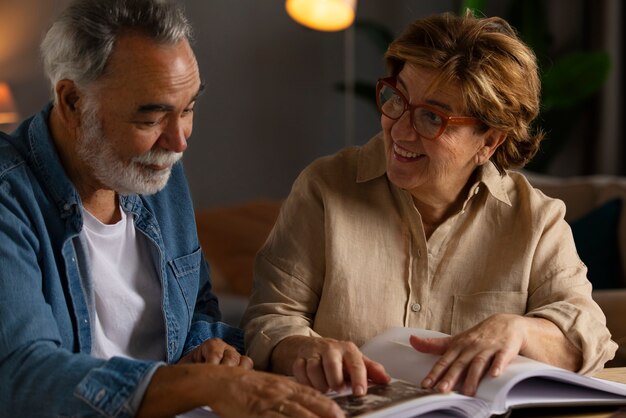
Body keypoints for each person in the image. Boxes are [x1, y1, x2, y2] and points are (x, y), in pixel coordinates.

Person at [242, 10, 618, 398]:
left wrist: (520, 329)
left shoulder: (536, 221)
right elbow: (270, 319)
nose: (400, 129)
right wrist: (304, 348)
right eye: (397, 98)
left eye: (431, 117)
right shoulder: (324, 188)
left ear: (489, 142)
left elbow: (587, 337)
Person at [0, 1, 344, 417]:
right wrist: (196, 385)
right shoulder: (10, 197)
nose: (179, 142)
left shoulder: (154, 175)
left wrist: (210, 351)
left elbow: (197, 304)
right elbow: (22, 375)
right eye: (151, 119)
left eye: (188, 109)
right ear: (72, 101)